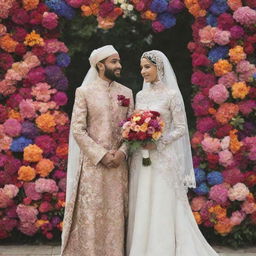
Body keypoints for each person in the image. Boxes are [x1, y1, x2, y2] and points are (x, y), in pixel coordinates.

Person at [127, 50, 218, 256]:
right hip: (141, 159)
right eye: (141, 67)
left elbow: (180, 128)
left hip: (163, 158)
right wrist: (136, 135)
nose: (143, 71)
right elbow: (134, 122)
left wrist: (158, 142)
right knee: (142, 200)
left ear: (159, 68)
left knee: (161, 201)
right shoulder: (140, 95)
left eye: (147, 67)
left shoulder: (171, 95)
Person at [61, 45, 134, 256]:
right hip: (94, 167)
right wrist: (101, 155)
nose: (119, 65)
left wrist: (122, 152)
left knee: (116, 217)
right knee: (93, 216)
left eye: (119, 61)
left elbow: (132, 129)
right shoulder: (84, 92)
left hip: (119, 166)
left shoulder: (126, 93)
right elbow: (78, 129)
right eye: (114, 62)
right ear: (100, 65)